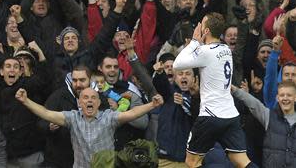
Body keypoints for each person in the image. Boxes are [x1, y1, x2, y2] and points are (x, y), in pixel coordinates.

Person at [173, 12, 257, 167]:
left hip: (210, 116)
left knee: (192, 162)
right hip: (230, 115)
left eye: (201, 25)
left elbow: (176, 64)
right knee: (241, 161)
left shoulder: (205, 51)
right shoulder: (226, 50)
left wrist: (193, 42)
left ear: (205, 31)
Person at [15, 87, 164, 168]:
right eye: (85, 98)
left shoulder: (109, 117)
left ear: (99, 103)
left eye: (93, 98)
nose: (89, 100)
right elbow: (46, 113)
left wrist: (152, 105)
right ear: (79, 103)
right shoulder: (72, 118)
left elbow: (132, 113)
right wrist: (26, 101)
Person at [232, 80, 296, 168]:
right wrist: (234, 90)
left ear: (295, 98)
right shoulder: (269, 116)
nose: (285, 98)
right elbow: (253, 103)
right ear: (277, 98)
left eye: (289, 95)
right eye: (282, 95)